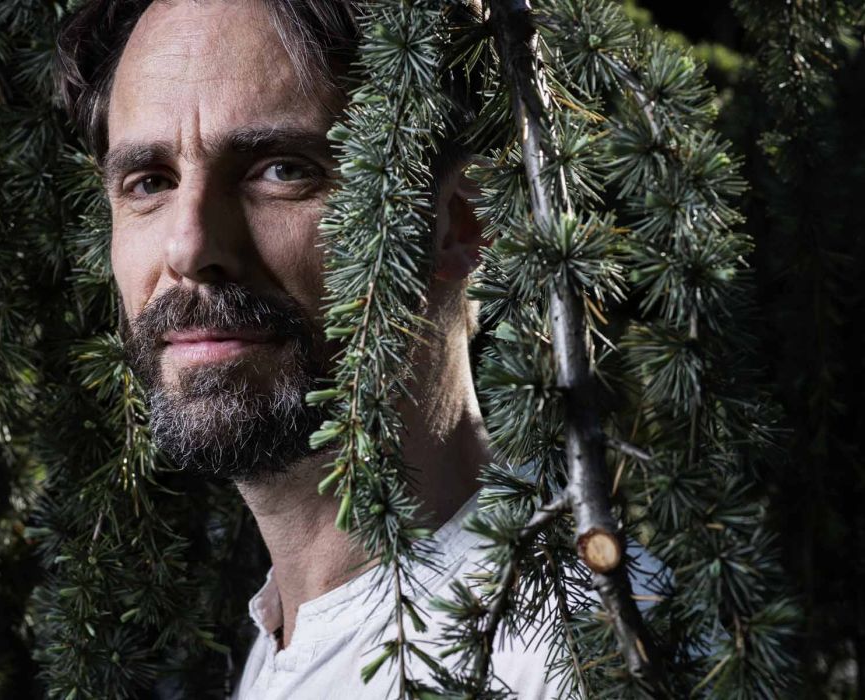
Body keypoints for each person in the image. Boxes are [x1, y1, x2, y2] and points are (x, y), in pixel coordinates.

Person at [56, 1, 573, 697]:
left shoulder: (559, 661)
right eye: (150, 183)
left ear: (458, 223)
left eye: (280, 170)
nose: (189, 247)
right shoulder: (288, 628)